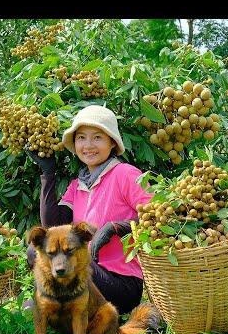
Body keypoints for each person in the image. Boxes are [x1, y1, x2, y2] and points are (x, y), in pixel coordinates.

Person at [27, 105, 153, 315]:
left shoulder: (125, 174)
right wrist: (48, 174)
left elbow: (158, 218)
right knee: (35, 252)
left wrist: (117, 228)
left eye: (97, 138)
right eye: (81, 138)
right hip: (87, 277)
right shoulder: (78, 185)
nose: (88, 146)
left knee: (75, 265)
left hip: (121, 283)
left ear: (112, 142)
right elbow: (51, 229)